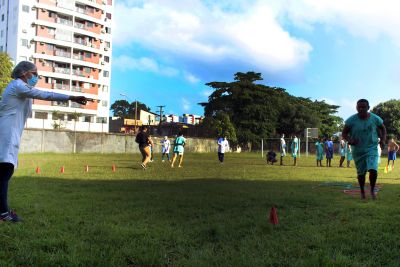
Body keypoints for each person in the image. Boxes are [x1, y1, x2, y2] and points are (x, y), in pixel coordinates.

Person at [0, 61, 88, 222]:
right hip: (6, 135)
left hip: (9, 134)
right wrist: (72, 97)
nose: (36, 77)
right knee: (4, 171)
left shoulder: (20, 89)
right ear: (24, 74)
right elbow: (45, 95)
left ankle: (3, 212)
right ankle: (3, 214)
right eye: (34, 73)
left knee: (5, 171)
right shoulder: (19, 86)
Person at [342, 99, 386, 200]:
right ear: (357, 108)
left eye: (363, 107)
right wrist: (350, 140)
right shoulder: (351, 120)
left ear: (368, 108)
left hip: (372, 148)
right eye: (359, 107)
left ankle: (372, 190)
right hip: (358, 150)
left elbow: (383, 128)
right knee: (361, 174)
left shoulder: (375, 118)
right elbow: (344, 133)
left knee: (373, 170)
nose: (361, 109)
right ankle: (362, 191)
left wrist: (383, 139)